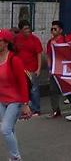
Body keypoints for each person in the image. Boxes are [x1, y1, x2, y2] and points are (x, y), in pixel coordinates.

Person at [0, 29, 32, 161]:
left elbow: (23, 83)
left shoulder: (14, 60)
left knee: (5, 129)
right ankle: (14, 156)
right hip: (1, 99)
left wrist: (25, 104)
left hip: (15, 100)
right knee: (10, 129)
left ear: (6, 43)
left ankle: (15, 157)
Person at [13, 20, 42, 116]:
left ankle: (36, 109)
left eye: (29, 28)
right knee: (21, 89)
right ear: (20, 30)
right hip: (20, 69)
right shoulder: (16, 39)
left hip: (32, 69)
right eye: (25, 29)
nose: (28, 30)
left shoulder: (35, 39)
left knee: (34, 89)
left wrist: (38, 68)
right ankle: (25, 109)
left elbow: (39, 54)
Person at [45, 21, 66, 118]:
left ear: (60, 30)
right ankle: (55, 110)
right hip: (54, 68)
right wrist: (49, 68)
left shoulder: (64, 40)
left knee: (67, 89)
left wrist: (57, 45)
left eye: (55, 29)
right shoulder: (50, 42)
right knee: (53, 89)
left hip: (64, 68)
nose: (53, 31)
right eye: (52, 29)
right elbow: (48, 55)